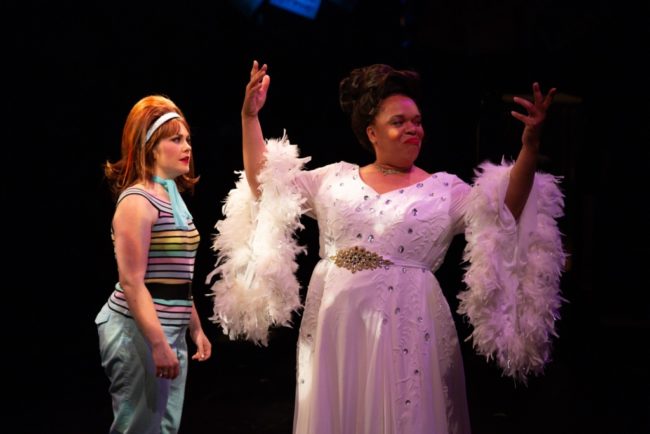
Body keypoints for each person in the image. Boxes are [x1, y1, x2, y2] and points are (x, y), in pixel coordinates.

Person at [207, 61, 565, 434]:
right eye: (400, 121)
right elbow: (266, 185)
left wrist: (530, 145)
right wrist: (250, 118)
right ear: (371, 132)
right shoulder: (333, 179)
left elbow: (505, 208)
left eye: (418, 121)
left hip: (409, 321)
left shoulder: (444, 190)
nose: (414, 128)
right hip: (336, 322)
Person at [95, 95, 212, 434]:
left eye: (187, 138)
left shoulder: (171, 196)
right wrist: (158, 343)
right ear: (149, 147)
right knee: (139, 427)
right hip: (138, 332)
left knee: (164, 427)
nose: (186, 146)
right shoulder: (137, 201)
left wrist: (194, 326)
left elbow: (176, 274)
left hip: (168, 329)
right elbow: (132, 282)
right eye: (175, 139)